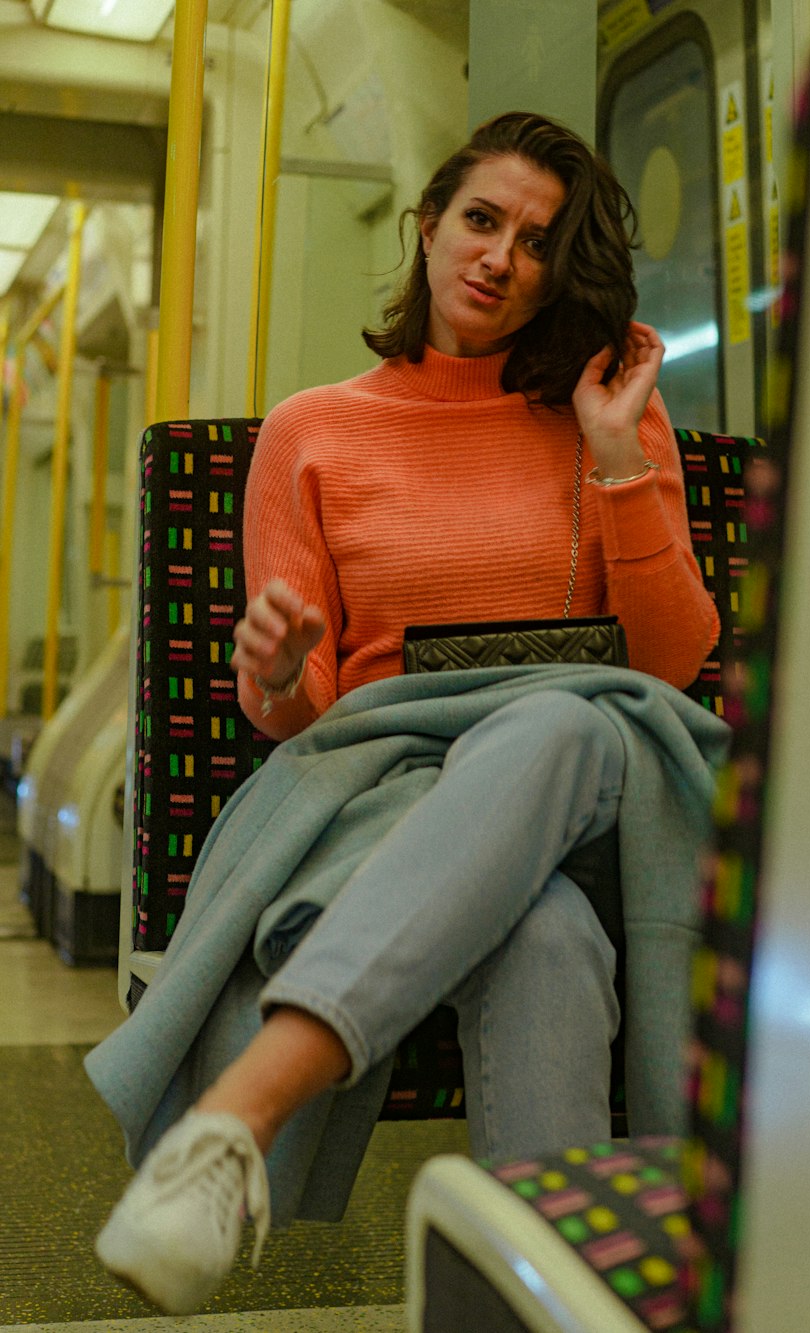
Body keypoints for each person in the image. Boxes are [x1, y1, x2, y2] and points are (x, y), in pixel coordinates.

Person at [86, 111, 726, 1316]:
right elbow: (301, 718)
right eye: (480, 221)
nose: (499, 258)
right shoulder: (313, 433)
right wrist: (276, 668)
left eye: (538, 243)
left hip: (601, 802)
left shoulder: (609, 419)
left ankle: (240, 1115)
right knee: (541, 942)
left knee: (566, 725)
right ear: (426, 227)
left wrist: (611, 458)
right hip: (387, 799)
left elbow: (673, 662)